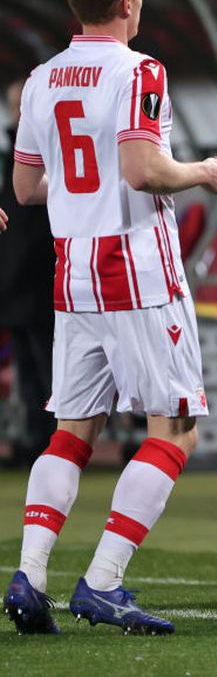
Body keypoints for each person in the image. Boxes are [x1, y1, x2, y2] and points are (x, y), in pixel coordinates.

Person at [3, 0, 217, 635]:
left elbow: (25, 188)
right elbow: (144, 171)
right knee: (176, 427)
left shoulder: (43, 77)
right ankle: (104, 581)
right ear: (130, 2)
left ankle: (31, 575)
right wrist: (202, 169)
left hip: (73, 269)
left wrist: (85, 187)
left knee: (72, 429)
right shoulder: (140, 71)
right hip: (135, 268)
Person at [0, 78, 56, 467]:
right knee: (29, 369)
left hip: (41, 277)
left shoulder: (51, 148)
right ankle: (39, 441)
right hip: (15, 281)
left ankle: (58, 443)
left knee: (50, 367)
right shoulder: (11, 151)